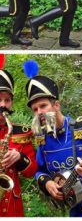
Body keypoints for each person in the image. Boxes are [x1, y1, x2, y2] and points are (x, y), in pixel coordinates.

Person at [24, 60, 82, 217]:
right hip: (73, 210)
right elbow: (40, 170)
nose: (39, 113)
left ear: (56, 105)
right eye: (35, 109)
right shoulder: (43, 140)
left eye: (43, 106)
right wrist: (47, 183)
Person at [0, 61, 37, 217]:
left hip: (10, 205)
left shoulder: (20, 132)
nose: (3, 104)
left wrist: (19, 158)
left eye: (7, 100)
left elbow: (32, 170)